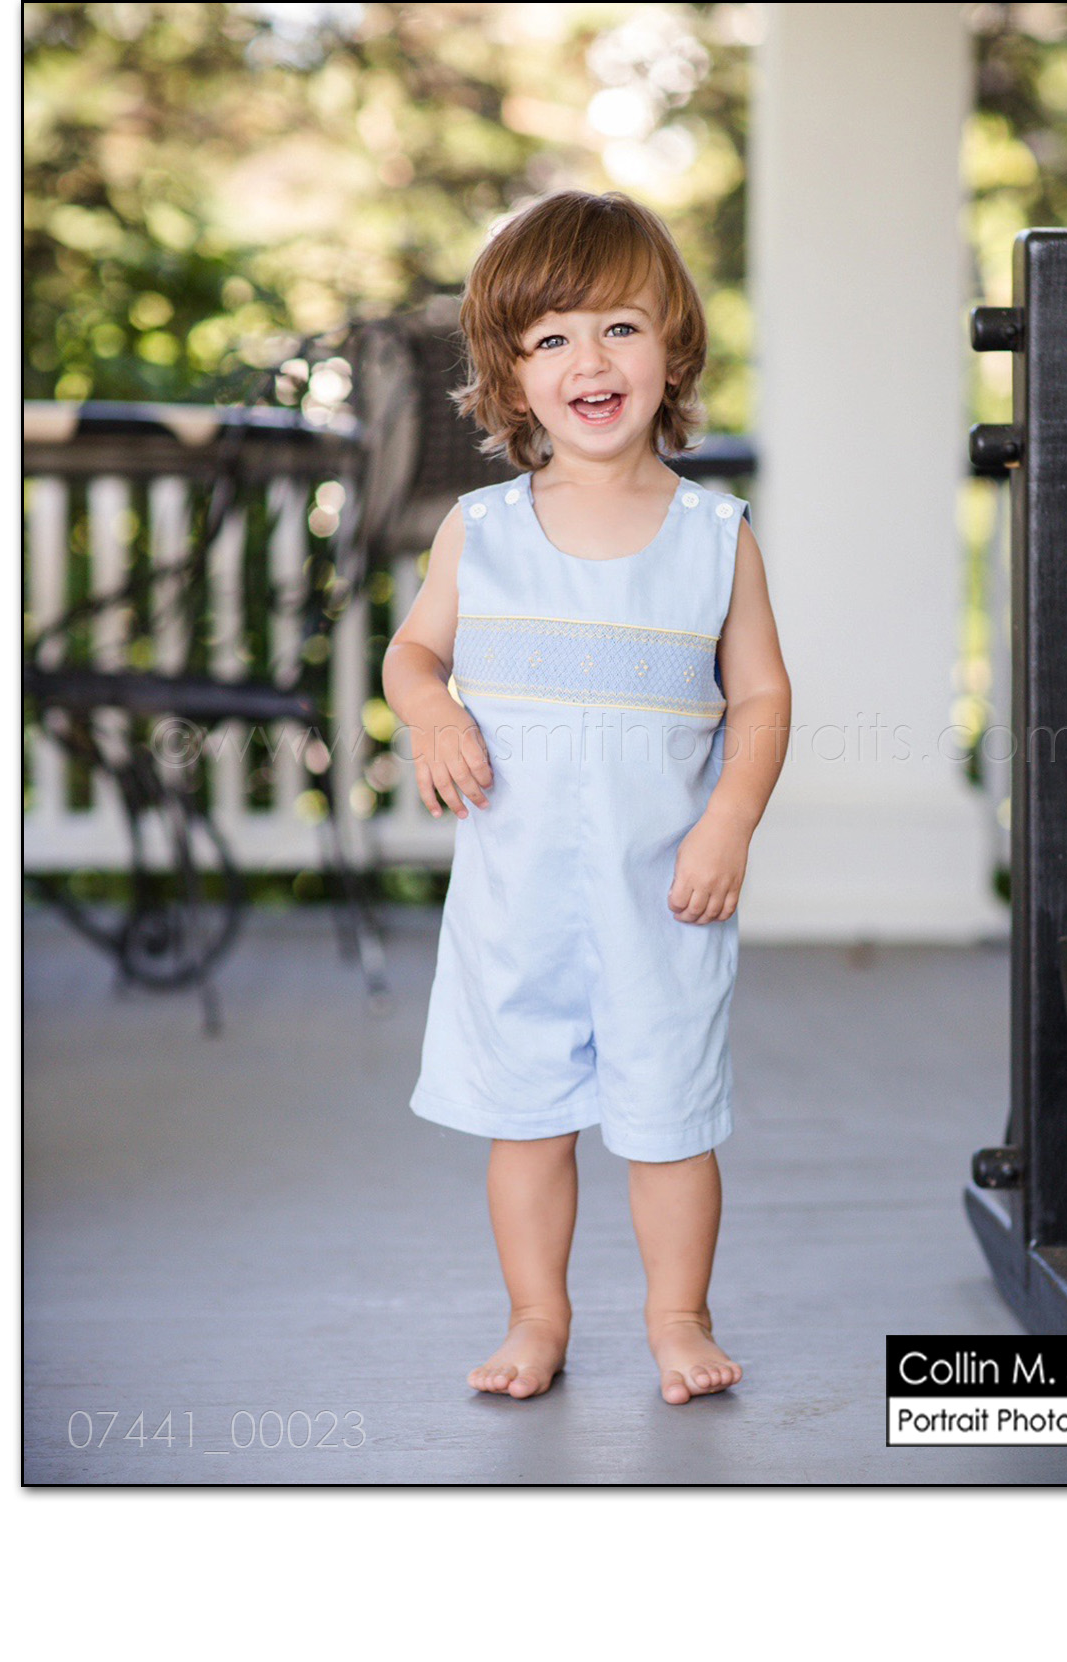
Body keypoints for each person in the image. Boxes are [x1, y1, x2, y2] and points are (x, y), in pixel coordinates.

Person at [383, 190, 791, 1406]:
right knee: (527, 1119)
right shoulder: (482, 531)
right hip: (516, 897)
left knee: (669, 1118)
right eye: (550, 337)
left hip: (661, 890)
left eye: (619, 327)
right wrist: (433, 711)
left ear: (672, 349)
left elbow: (760, 695)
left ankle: (678, 1315)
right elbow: (412, 654)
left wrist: (727, 821)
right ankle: (535, 1315)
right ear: (510, 377)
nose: (589, 360)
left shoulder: (712, 534)